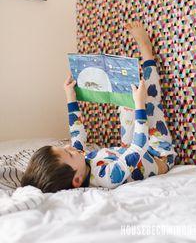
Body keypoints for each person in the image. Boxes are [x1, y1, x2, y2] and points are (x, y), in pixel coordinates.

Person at [21, 21, 178, 193]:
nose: (70, 147)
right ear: (77, 180)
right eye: (70, 154)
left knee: (126, 104)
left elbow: (77, 134)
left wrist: (70, 98)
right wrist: (140, 104)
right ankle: (147, 52)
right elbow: (139, 147)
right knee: (147, 100)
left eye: (65, 148)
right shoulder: (107, 176)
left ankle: (135, 94)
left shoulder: (80, 162)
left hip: (128, 148)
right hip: (157, 153)